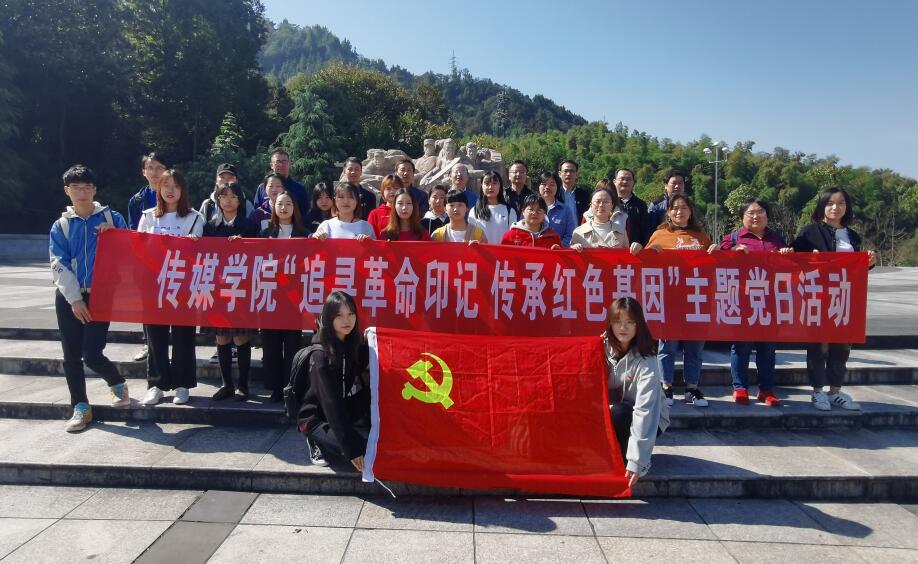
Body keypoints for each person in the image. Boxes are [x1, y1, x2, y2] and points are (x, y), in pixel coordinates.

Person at [50, 165, 130, 432]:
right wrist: (74, 299)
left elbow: (131, 250)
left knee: (92, 353)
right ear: (67, 191)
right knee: (71, 355)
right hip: (69, 296)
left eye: (86, 187)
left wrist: (115, 235)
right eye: (76, 188)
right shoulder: (62, 225)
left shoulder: (112, 217)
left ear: (94, 190)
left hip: (101, 294)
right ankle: (80, 406)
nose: (82, 193)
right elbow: (58, 263)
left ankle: (116, 382)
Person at [792, 187, 877, 411]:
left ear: (847, 207)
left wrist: (868, 263)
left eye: (840, 203)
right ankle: (817, 391)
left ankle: (835, 391)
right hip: (818, 298)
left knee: (842, 347)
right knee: (818, 347)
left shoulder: (852, 236)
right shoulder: (809, 232)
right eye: (830, 203)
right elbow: (792, 260)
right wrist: (809, 259)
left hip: (844, 298)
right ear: (822, 206)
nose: (835, 207)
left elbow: (854, 270)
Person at [137, 169, 205, 406]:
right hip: (154, 286)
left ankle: (182, 384)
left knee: (183, 336)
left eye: (176, 186)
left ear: (182, 190)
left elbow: (199, 252)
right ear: (159, 189)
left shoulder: (194, 218)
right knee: (155, 337)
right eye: (166, 185)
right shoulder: (148, 216)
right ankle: (156, 384)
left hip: (183, 286)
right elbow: (138, 248)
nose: (170, 190)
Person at [720, 198, 794, 406]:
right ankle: (740, 387)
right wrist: (732, 253)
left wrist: (788, 255)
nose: (755, 216)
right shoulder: (733, 239)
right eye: (750, 213)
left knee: (767, 348)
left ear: (767, 216)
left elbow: (790, 268)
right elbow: (717, 261)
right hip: (743, 300)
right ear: (742, 217)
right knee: (741, 347)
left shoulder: (777, 239)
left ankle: (766, 389)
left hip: (770, 300)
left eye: (760, 212)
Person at [646, 194, 718, 407]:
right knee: (667, 345)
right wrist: (651, 252)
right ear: (668, 212)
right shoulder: (659, 235)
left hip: (696, 299)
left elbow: (713, 265)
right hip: (670, 299)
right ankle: (666, 386)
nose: (679, 211)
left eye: (684, 207)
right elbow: (646, 264)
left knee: (695, 346)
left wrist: (716, 252)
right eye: (675, 208)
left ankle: (692, 388)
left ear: (690, 211)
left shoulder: (700, 237)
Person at [293, 291, 371, 468]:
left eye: (350, 314)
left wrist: (371, 339)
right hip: (315, 418)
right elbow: (331, 404)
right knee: (363, 449)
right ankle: (314, 439)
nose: (346, 320)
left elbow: (374, 360)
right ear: (329, 318)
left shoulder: (353, 343)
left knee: (374, 394)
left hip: (343, 407)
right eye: (339, 316)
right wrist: (352, 449)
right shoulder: (320, 355)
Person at [202, 182, 259, 401]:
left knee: (241, 337)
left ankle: (243, 385)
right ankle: (226, 384)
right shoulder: (210, 227)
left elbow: (259, 255)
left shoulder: (249, 226)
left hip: (241, 288)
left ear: (240, 201)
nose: (228, 200)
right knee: (222, 337)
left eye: (233, 196)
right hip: (217, 289)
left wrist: (244, 244)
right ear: (217, 200)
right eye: (223, 196)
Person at [604, 297, 670, 484]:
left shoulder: (647, 359)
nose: (622, 327)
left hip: (648, 417)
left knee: (620, 413)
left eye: (630, 322)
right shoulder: (601, 347)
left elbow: (645, 409)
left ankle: (632, 456)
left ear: (638, 325)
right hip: (611, 410)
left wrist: (637, 461)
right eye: (617, 321)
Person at [260, 191, 307, 402]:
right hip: (269, 295)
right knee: (270, 345)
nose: (284, 207)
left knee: (292, 345)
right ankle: (275, 388)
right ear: (274, 207)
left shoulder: (304, 233)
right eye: (280, 204)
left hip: (293, 297)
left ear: (294, 208)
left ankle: (292, 386)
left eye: (288, 203)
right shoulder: (265, 232)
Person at [127, 152, 168, 362]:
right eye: (150, 168)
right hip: (147, 261)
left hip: (171, 262)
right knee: (147, 303)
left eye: (159, 167)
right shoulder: (137, 201)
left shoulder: (174, 195)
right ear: (144, 172)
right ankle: (148, 343)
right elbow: (133, 232)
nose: (155, 172)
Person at [571, 187, 643, 254]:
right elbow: (570, 259)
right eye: (597, 201)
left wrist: (637, 248)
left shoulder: (621, 231)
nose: (601, 205)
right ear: (591, 205)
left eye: (606, 202)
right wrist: (572, 248)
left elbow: (627, 256)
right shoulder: (578, 232)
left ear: (612, 206)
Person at [253, 149, 310, 214]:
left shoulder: (299, 189)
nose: (281, 164)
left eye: (284, 161)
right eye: (277, 162)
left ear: (289, 164)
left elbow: (304, 214)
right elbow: (256, 212)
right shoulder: (262, 188)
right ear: (271, 165)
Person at [469, 172, 516, 244]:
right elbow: (470, 236)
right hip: (481, 250)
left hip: (502, 250)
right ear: (481, 186)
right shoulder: (474, 211)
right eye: (487, 184)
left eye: (494, 183)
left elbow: (512, 238)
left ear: (500, 186)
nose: (490, 187)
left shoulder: (509, 211)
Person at [537, 172, 577, 247]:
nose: (547, 187)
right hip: (535, 252)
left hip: (558, 252)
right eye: (544, 184)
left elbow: (570, 235)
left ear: (558, 187)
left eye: (552, 184)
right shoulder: (529, 209)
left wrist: (559, 247)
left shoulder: (566, 210)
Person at [613, 168, 651, 246]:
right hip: (613, 248)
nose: (625, 181)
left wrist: (641, 246)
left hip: (634, 250)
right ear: (614, 181)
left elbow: (645, 231)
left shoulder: (641, 205)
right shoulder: (609, 203)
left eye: (628, 179)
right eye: (622, 178)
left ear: (633, 182)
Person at [366, 174, 403, 239]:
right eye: (388, 189)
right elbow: (370, 237)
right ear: (383, 193)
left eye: (396, 188)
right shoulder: (374, 214)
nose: (392, 191)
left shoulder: (407, 211)